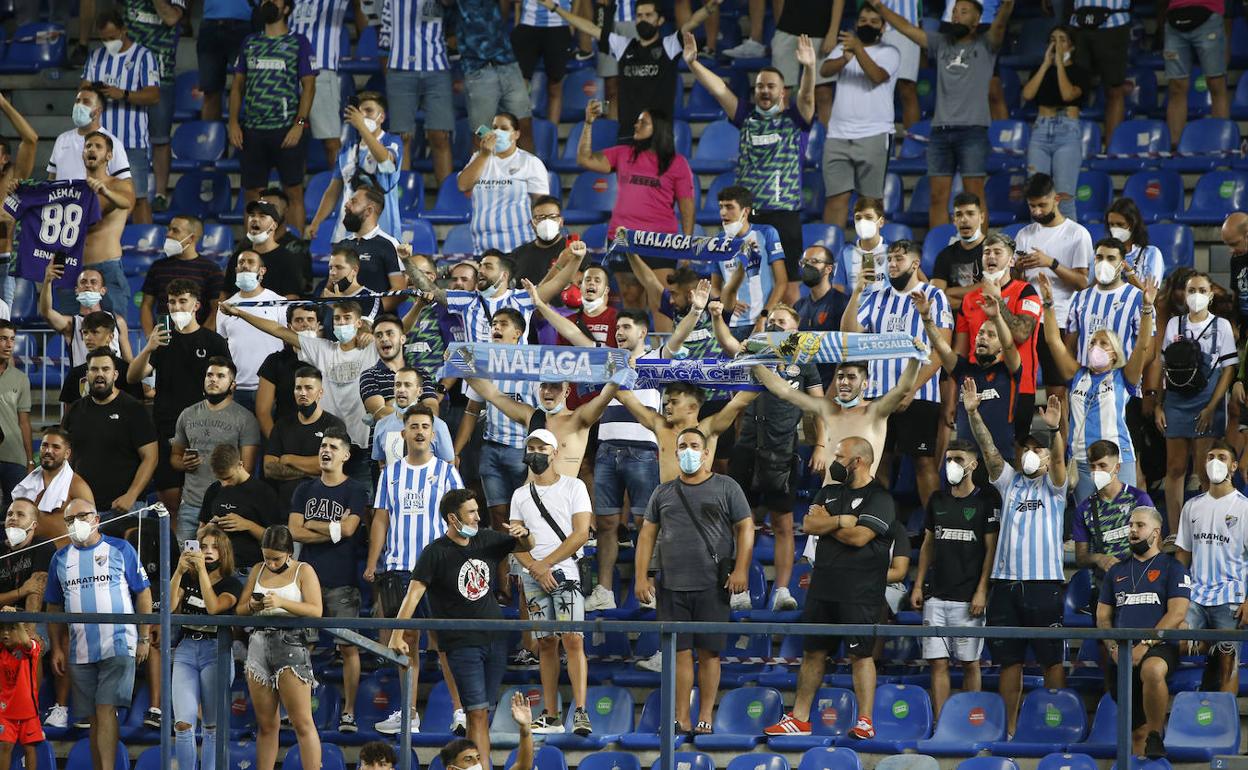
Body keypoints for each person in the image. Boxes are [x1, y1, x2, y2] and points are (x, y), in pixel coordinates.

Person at [388, 489, 536, 762]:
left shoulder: (487, 539)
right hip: (461, 644)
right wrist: (397, 634)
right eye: (471, 512)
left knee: (483, 714)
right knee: (476, 713)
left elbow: (528, 546)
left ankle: (474, 764)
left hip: (495, 639)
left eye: (478, 510)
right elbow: (413, 594)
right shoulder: (435, 553)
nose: (478, 517)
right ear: (452, 519)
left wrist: (524, 533)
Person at [763, 436, 894, 740]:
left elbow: (860, 537)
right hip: (823, 589)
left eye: (840, 456)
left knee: (861, 657)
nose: (835, 461)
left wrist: (830, 524)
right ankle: (799, 718)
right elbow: (809, 525)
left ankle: (864, 720)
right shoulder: (829, 491)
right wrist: (842, 521)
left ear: (858, 461)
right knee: (813, 653)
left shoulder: (880, 498)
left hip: (860, 593)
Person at [965, 382, 1067, 736]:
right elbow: (989, 450)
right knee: (1010, 661)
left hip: (1045, 585)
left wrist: (1053, 432)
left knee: (1052, 660)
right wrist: (973, 413)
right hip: (1005, 586)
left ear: (1049, 456)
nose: (1031, 453)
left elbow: (1058, 465)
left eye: (1038, 450)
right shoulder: (1009, 483)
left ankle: (1056, 726)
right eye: (1027, 447)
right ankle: (1009, 729)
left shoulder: (1056, 488)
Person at [635, 428, 753, 734]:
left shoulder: (727, 487)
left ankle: (706, 716)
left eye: (694, 446)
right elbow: (647, 534)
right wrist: (641, 576)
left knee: (710, 654)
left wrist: (741, 568)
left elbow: (745, 527)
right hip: (671, 585)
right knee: (680, 654)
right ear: (676, 454)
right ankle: (682, 717)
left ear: (705, 453)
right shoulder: (663, 492)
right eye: (683, 446)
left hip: (713, 585)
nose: (688, 450)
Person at [683, 31, 817, 303]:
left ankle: (786, 336)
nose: (765, 90)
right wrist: (693, 63)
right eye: (760, 86)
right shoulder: (745, 117)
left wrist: (810, 67)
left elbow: (806, 97)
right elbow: (719, 88)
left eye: (771, 86)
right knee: (752, 282)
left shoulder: (795, 120)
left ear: (782, 92)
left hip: (784, 217)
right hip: (750, 218)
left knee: (790, 289)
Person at [713, 303, 823, 610]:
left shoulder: (805, 360)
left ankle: (782, 592)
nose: (774, 325)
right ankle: (740, 588)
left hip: (782, 450)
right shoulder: (754, 351)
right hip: (747, 447)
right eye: (771, 320)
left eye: (781, 322)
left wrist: (821, 445)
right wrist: (715, 315)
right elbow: (727, 342)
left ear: (794, 330)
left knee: (784, 524)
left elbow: (820, 408)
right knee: (741, 522)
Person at [868, 0, 1013, 228]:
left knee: (974, 195)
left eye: (964, 12)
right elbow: (907, 28)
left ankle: (978, 252)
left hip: (972, 132)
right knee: (937, 197)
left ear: (977, 21)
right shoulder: (941, 42)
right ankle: (939, 249)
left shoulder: (986, 44)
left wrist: (1007, 5)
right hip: (940, 133)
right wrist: (880, 8)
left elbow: (1001, 23)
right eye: (954, 12)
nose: (956, 16)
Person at [367, 405, 464, 735]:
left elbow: (462, 517)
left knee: (444, 642)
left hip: (439, 569)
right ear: (404, 433)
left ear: (433, 434)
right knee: (405, 642)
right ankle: (408, 712)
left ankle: (460, 710)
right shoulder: (390, 474)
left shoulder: (448, 473)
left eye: (425, 426)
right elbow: (381, 519)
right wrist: (372, 562)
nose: (420, 431)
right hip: (399, 568)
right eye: (414, 426)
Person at [45, 500, 152, 770]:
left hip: (118, 641)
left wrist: (143, 637)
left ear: (96, 519)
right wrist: (57, 647)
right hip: (80, 648)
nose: (76, 523)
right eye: (70, 519)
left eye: (82, 516)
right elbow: (54, 605)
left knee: (105, 709)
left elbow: (143, 592)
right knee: (94, 717)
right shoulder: (59, 558)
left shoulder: (120, 548)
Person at [843, 241, 951, 505]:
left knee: (924, 463)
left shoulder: (934, 296)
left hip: (920, 394)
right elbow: (849, 334)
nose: (891, 264)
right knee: (876, 461)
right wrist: (857, 291)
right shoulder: (876, 297)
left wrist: (911, 388)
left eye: (899, 259)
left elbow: (941, 350)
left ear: (915, 264)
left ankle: (932, 530)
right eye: (889, 259)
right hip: (878, 395)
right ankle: (880, 529)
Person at [217, 299, 380, 466]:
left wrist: (373, 332)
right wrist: (240, 313)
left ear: (359, 322)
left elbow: (396, 334)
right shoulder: (322, 349)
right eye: (337, 319)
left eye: (347, 318)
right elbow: (277, 330)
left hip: (363, 444)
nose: (342, 323)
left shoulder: (371, 348)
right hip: (329, 443)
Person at [1038, 272, 1155, 498]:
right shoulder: (1076, 374)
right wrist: (1049, 304)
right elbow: (1053, 340)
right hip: (1083, 461)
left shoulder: (1124, 376)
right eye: (1092, 342)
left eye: (1103, 343)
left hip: (1118, 459)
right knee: (1087, 520)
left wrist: (1147, 309)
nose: (1095, 347)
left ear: (1114, 353)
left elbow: (1142, 344)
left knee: (1121, 521)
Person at [537, 0, 719, 143]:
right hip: (627, 136)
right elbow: (589, 27)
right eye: (639, 16)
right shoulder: (623, 46)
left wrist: (710, 8)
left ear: (660, 20)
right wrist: (556, 8)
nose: (643, 19)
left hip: (659, 137)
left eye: (648, 15)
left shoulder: (669, 45)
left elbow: (693, 21)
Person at [508, 430, 593, 735]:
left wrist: (546, 564)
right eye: (530, 447)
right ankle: (551, 714)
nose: (535, 452)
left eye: (541, 447)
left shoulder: (575, 486)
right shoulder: (520, 494)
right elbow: (515, 539)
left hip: (565, 572)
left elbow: (581, 533)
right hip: (534, 577)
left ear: (554, 452)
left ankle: (581, 711)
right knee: (545, 643)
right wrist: (535, 568)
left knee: (573, 639)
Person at [127, 279, 231, 521]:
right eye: (172, 302)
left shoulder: (214, 342)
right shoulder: (161, 341)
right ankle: (176, 555)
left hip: (206, 426)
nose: (176, 307)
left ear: (196, 305)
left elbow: (227, 385)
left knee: (209, 500)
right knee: (171, 499)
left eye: (182, 301)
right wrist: (149, 347)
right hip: (167, 425)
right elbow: (133, 376)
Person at [288, 427, 369, 734]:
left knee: (348, 648)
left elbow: (349, 531)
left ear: (346, 455)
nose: (327, 450)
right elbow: (294, 530)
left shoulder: (355, 489)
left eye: (334, 447)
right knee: (301, 648)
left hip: (342, 580)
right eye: (324, 445)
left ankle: (348, 712)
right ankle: (298, 709)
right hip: (306, 581)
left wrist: (315, 524)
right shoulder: (304, 488)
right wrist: (332, 528)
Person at [910, 440, 997, 719]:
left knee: (970, 664)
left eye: (958, 459)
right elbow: (927, 544)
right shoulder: (937, 499)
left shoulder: (987, 501)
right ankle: (941, 721)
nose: (951, 465)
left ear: (973, 464)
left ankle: (970, 721)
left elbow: (990, 550)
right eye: (948, 459)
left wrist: (982, 590)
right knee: (938, 664)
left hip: (968, 597)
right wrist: (917, 584)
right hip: (936, 596)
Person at [1098, 506, 1190, 759]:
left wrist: (1146, 643)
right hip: (1122, 651)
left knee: (1152, 669)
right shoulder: (1115, 572)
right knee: (1135, 731)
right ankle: (1143, 749)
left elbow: (1178, 613)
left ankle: (1156, 734)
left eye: (1140, 526)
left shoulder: (1173, 567)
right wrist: (1114, 648)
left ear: (1156, 532)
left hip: (1159, 644)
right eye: (1130, 526)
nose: (1133, 531)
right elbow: (1103, 617)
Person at [1155, 272, 1238, 535]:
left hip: (1206, 401)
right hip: (1176, 401)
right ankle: (1176, 532)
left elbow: (1228, 369)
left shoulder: (1222, 326)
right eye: (1192, 290)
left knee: (1205, 471)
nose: (1196, 296)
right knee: (1175, 467)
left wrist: (1212, 406)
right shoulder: (1173, 325)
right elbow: (1163, 366)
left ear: (1211, 295)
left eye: (1202, 290)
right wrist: (1158, 403)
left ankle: (1206, 529)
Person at [236, 525, 322, 770]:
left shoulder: (303, 571)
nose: (271, 564)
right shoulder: (257, 569)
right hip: (258, 643)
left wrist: (283, 602)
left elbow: (316, 610)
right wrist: (253, 606)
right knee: (265, 724)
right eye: (267, 558)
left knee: (302, 723)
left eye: (276, 559)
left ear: (289, 552)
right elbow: (240, 609)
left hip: (291, 643)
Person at [229, 0, 316, 232]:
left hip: (286, 129)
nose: (268, 2)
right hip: (253, 130)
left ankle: (297, 248)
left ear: (286, 8)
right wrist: (233, 122)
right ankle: (254, 245)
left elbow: (309, 86)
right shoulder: (250, 42)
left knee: (294, 191)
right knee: (253, 194)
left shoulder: (298, 43)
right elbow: (237, 86)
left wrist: (299, 124)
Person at [1174, 440, 1248, 693]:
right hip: (1195, 595)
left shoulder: (1244, 508)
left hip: (1231, 595)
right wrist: (1175, 594)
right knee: (1174, 642)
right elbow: (1182, 556)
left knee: (1229, 657)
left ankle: (1228, 724)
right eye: (1210, 457)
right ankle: (1212, 646)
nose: (1215, 462)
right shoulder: (1192, 506)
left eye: (1222, 457)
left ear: (1234, 466)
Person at [916, 283, 1020, 460]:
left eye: (991, 335)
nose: (983, 338)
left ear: (1001, 347)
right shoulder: (963, 370)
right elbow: (942, 348)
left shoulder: (1009, 370)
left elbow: (1009, 344)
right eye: (980, 334)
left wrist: (996, 317)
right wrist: (926, 318)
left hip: (1001, 461)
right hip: (966, 463)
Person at [819, 3, 900, 229]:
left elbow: (876, 76)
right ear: (856, 23)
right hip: (838, 135)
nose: (867, 25)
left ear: (883, 28)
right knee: (835, 199)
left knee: (870, 203)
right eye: (863, 20)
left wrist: (857, 49)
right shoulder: (843, 49)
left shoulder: (890, 52)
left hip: (874, 134)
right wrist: (845, 58)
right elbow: (824, 71)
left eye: (874, 22)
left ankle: (870, 258)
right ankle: (830, 256)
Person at [1015, 173, 1093, 404]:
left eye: (1042, 205)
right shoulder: (1024, 234)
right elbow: (1017, 281)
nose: (1037, 211)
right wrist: (1017, 269)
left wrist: (1051, 263)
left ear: (1056, 199)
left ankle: (1060, 439)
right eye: (1032, 206)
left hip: (1060, 319)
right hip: (1027, 319)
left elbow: (1082, 282)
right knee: (1021, 384)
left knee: (1056, 390)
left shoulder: (1077, 234)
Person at [169, 524, 241, 770]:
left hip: (216, 649)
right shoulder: (187, 578)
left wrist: (200, 571)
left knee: (211, 726)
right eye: (203, 546)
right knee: (183, 722)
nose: (208, 551)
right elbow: (168, 608)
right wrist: (179, 572)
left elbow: (213, 607)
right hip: (187, 648)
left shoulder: (231, 584)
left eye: (214, 547)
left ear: (224, 552)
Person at [80, 8, 160, 224]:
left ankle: (146, 245)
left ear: (124, 30)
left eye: (112, 37)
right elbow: (82, 91)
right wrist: (94, 92)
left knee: (139, 196)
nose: (108, 42)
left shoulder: (144, 56)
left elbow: (153, 95)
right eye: (104, 39)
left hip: (131, 141)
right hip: (99, 142)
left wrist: (122, 94)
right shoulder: (96, 57)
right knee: (97, 197)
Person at [171, 357, 264, 542]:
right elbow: (174, 457)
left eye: (221, 376)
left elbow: (247, 469)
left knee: (222, 564)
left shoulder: (245, 419)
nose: (213, 379)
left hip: (226, 505)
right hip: (190, 503)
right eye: (209, 375)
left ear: (233, 385)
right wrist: (183, 463)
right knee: (187, 562)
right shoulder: (187, 414)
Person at [62, 349, 158, 525]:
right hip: (84, 510)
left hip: (124, 508)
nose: (99, 374)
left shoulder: (133, 409)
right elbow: (67, 457)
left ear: (115, 375)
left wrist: (132, 495)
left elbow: (151, 457)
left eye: (105, 369)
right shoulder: (75, 410)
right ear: (87, 374)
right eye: (94, 369)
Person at [578, 103, 695, 238]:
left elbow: (687, 207)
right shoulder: (622, 153)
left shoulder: (677, 163)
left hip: (659, 239)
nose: (636, 125)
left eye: (643, 123)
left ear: (658, 129)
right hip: (621, 237)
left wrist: (687, 245)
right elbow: (584, 159)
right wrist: (588, 124)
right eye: (637, 121)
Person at [1072, 441, 1155, 608]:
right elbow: (1080, 558)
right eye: (1093, 467)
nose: (1097, 472)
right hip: (1106, 588)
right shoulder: (1084, 508)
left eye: (1102, 466)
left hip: (1139, 583)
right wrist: (1098, 558)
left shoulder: (1139, 499)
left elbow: (1154, 545)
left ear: (1117, 468)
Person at [381, 0, 454, 182]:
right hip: (400, 69)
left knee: (440, 136)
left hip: (437, 68)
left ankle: (445, 201)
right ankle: (401, 198)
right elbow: (385, 33)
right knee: (401, 139)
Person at [1020, 26, 1088, 222]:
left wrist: (1059, 63)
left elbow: (1068, 94)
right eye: (1052, 39)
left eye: (1062, 40)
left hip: (1067, 131)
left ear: (1072, 46)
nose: (1056, 44)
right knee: (1036, 196)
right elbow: (1027, 94)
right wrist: (1045, 64)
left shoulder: (1079, 72)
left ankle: (1070, 250)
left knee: (1064, 197)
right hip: (1041, 131)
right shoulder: (1039, 69)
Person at [458, 112, 550, 255]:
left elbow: (543, 204)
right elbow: (463, 185)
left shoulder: (530, 162)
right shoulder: (479, 158)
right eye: (494, 127)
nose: (497, 132)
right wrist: (484, 154)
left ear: (516, 134)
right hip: (483, 247)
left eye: (504, 128)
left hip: (520, 247)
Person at [263, 366, 348, 510]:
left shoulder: (333, 424)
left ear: (320, 393)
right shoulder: (282, 425)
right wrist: (309, 472)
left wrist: (289, 459)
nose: (302, 393)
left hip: (321, 504)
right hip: (285, 504)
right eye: (298, 388)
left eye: (309, 388)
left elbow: (330, 465)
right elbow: (269, 468)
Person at [713, 186, 788, 337]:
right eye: (721, 207)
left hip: (760, 322)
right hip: (729, 325)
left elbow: (782, 282)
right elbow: (714, 288)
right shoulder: (717, 241)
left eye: (729, 207)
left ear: (745, 211)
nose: (723, 212)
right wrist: (726, 301)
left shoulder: (767, 233)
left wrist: (764, 316)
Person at [216, 251, 287, 412]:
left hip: (270, 385)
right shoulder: (225, 306)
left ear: (262, 271)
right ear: (235, 271)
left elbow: (287, 340)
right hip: (236, 387)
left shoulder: (279, 303)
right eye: (241, 263)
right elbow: (222, 346)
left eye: (250, 262)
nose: (245, 266)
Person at [451, 0, 533, 138]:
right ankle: (483, 160)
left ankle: (526, 160)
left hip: (507, 64)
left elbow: (504, 13)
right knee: (482, 135)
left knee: (523, 127)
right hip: (477, 69)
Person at [200, 445, 282, 575]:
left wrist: (248, 525)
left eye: (228, 478)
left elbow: (277, 541)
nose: (224, 484)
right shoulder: (213, 490)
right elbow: (200, 533)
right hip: (215, 569)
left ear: (240, 465)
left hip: (248, 570)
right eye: (220, 479)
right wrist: (209, 527)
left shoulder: (264, 493)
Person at [1064, 238, 1146, 369]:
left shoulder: (1138, 298)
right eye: (1099, 257)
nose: (1104, 263)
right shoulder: (1080, 297)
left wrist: (1130, 377)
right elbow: (1069, 345)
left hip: (1121, 382)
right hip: (1085, 382)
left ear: (1122, 264)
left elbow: (1148, 349)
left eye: (1111, 258)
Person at [79, 132, 136, 319]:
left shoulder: (119, 185)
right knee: (75, 329)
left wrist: (105, 191)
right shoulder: (75, 190)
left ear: (109, 156)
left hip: (108, 265)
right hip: (77, 268)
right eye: (88, 146)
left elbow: (127, 202)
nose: (91, 149)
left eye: (97, 146)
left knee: (116, 326)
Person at [140, 215, 225, 334]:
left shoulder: (211, 269)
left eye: (175, 231)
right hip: (164, 340)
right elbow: (146, 305)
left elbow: (216, 309)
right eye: (169, 229)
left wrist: (202, 338)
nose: (168, 234)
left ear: (191, 238)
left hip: (197, 340)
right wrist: (150, 336)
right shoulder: (157, 267)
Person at [1163, 0, 1230, 147]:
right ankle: (1175, 148)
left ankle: (1220, 145)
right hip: (1175, 19)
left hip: (1208, 14)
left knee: (1216, 83)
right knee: (1176, 86)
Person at [40, 263, 132, 368]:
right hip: (82, 381)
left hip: (113, 382)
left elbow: (128, 360)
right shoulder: (71, 324)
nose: (88, 285)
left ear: (103, 290)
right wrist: (47, 281)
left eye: (93, 282)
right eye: (83, 282)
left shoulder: (118, 321)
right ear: (76, 290)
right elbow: (46, 312)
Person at [1068, 0, 1131, 147]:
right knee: (1071, 89)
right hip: (1078, 22)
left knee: (1114, 89)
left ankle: (1112, 150)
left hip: (1113, 21)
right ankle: (1068, 146)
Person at [256, 304, 323, 438]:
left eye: (310, 320)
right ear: (289, 327)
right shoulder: (275, 361)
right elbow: (263, 411)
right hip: (285, 433)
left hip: (322, 437)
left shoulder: (329, 356)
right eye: (299, 320)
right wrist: (275, 444)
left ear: (318, 325)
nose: (305, 324)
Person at [334, 188, 406, 309]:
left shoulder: (390, 244)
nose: (347, 204)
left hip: (374, 323)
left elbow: (400, 290)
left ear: (369, 211)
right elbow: (330, 286)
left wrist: (372, 313)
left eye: (354, 201)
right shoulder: (342, 245)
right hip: (342, 319)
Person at [46, 87, 131, 185]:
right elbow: (51, 178)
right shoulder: (62, 139)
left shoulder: (113, 143)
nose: (79, 106)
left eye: (86, 102)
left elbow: (125, 185)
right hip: (60, 199)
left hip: (93, 199)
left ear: (98, 111)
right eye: (77, 101)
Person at [11, 427, 94, 525]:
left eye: (56, 447)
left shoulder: (77, 485)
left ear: (67, 454)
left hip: (62, 540)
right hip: (27, 539)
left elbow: (91, 525)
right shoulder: (28, 482)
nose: (48, 451)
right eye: (44, 445)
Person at [58, 313, 143, 407]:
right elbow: (68, 415)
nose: (88, 338)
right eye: (85, 332)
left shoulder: (127, 372)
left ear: (110, 337)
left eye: (94, 332)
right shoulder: (75, 373)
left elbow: (137, 412)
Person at [233, 200, 312, 299]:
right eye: (252, 215)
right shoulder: (239, 257)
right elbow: (226, 292)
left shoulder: (288, 259)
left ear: (274, 225)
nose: (255, 219)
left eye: (262, 216)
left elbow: (291, 299)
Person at [372, 368, 452, 466]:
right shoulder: (381, 425)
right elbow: (382, 463)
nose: (401, 390)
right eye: (397, 385)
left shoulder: (438, 425)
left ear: (419, 391)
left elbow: (449, 464)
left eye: (407, 385)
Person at [931, 193, 987, 314]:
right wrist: (971, 300)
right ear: (954, 220)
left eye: (970, 213)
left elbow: (989, 289)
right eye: (959, 214)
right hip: (952, 319)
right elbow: (936, 297)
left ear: (981, 218)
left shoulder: (993, 251)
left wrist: (950, 291)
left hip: (984, 320)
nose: (964, 219)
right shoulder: (945, 255)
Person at [199, 0, 253, 121]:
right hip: (210, 25)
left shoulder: (299, 42)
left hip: (243, 24)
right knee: (210, 90)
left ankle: (243, 135)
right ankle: (210, 138)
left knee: (246, 87)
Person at [831, 197, 889, 298]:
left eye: (869, 217)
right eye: (858, 218)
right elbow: (837, 294)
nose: (863, 222)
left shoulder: (893, 251)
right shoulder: (846, 253)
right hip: (855, 311)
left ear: (881, 222)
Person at [0, 323, 31, 505]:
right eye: (3, 339)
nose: (9, 344)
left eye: (12, 339)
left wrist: (29, 460)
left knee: (17, 515)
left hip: (14, 457)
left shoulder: (21, 378)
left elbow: (24, 423)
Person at [1109, 197, 1166, 290]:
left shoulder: (1151, 253)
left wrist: (1127, 269)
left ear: (1133, 224)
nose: (1114, 229)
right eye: (1111, 224)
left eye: (1120, 224)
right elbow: (1090, 289)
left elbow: (1149, 296)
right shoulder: (1101, 253)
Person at [794, 246, 839, 333]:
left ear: (828, 269)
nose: (806, 266)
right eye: (804, 262)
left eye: (813, 261)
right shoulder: (798, 306)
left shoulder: (841, 304)